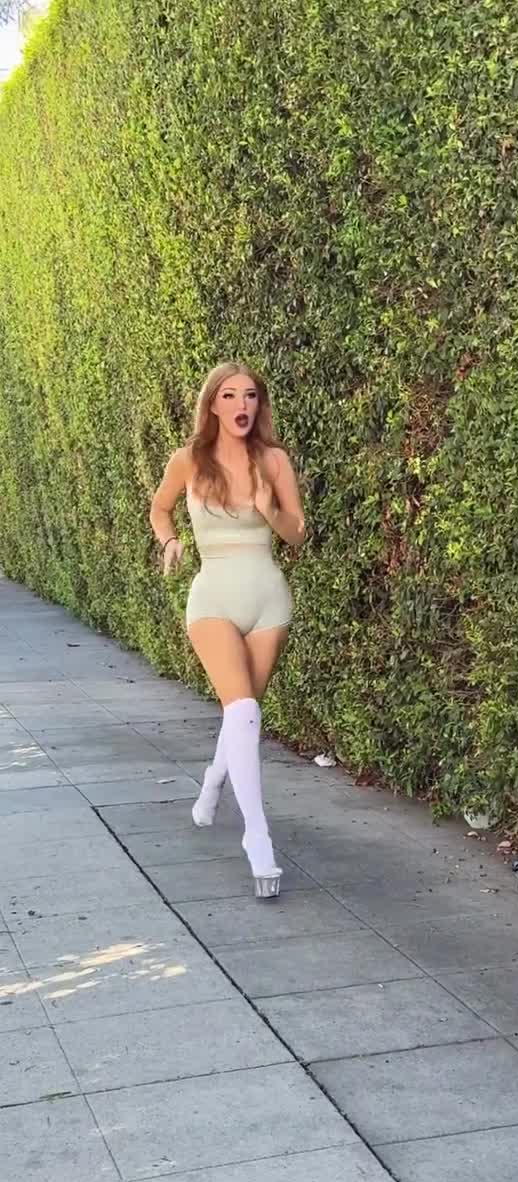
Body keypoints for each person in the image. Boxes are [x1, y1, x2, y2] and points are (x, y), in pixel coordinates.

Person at [150, 361, 305, 897]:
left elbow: (297, 533)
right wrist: (171, 542)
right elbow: (160, 508)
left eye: (251, 396)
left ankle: (214, 782)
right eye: (231, 396)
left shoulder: (275, 460)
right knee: (242, 712)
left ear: (259, 405)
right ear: (213, 404)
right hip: (212, 597)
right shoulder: (188, 460)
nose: (243, 405)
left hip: (268, 601)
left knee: (243, 716)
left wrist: (270, 509)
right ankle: (257, 839)